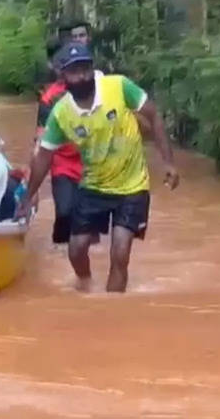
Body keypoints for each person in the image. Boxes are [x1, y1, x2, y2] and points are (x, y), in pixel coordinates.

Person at [17, 43, 180, 293]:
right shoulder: (61, 113)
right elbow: (44, 157)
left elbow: (153, 114)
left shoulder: (118, 86)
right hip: (93, 186)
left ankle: (112, 310)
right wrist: (28, 197)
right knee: (76, 247)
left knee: (120, 251)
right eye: (74, 71)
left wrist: (168, 161)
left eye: (85, 69)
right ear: (63, 76)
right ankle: (86, 285)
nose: (81, 76)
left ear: (93, 69)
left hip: (132, 186)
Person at [35, 40, 85, 248]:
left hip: (93, 162)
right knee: (64, 212)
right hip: (62, 163)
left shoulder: (95, 88)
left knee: (87, 220)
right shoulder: (49, 99)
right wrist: (33, 182)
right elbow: (40, 140)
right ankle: (61, 251)